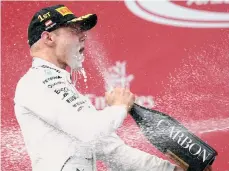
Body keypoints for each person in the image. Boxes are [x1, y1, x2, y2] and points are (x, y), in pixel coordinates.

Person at [14, 4, 213, 171]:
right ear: (48, 38)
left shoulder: (60, 87)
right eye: (74, 30)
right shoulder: (35, 84)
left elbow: (114, 152)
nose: (83, 37)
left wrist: (173, 170)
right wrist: (119, 107)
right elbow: (91, 131)